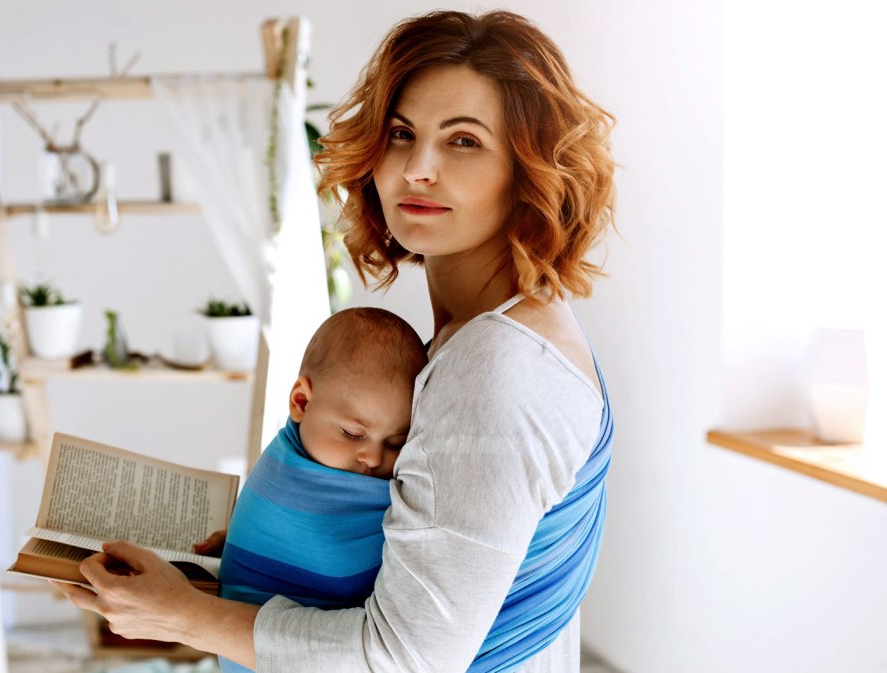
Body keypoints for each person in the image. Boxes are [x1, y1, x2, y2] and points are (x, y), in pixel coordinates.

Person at [53, 9, 616, 672]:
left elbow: (406, 658)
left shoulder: (496, 366)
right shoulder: (498, 333)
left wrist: (181, 615)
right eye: (402, 134)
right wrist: (292, 534)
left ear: (528, 171)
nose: (418, 168)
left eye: (463, 141)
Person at [210, 307, 427, 672]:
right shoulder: (288, 472)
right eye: (353, 434)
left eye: (396, 441)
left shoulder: (312, 449)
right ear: (301, 402)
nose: (373, 457)